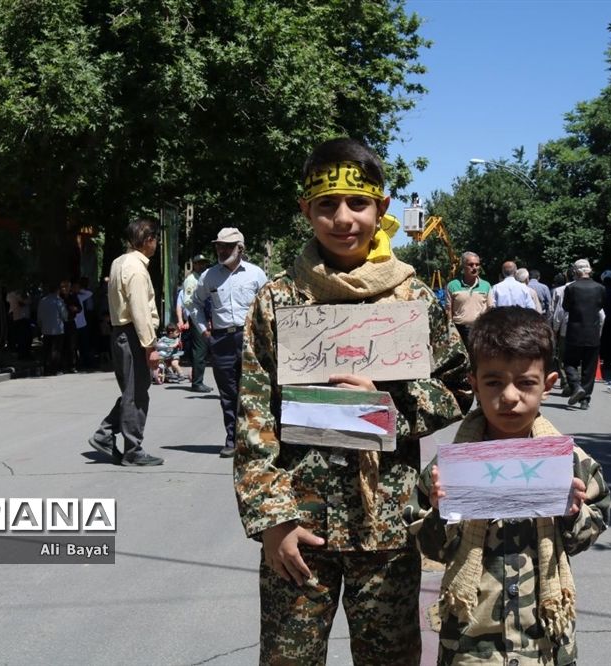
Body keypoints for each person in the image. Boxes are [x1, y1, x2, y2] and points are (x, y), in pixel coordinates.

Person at [233, 137, 470, 665]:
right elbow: (254, 418)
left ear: (381, 208)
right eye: (326, 205)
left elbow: (459, 386)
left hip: (385, 531)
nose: (343, 219)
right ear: (306, 210)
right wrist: (274, 521)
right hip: (300, 529)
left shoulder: (412, 300)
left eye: (358, 204)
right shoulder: (279, 300)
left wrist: (388, 405)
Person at [411, 306, 610, 665]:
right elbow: (430, 547)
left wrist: (573, 513)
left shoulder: (567, 462)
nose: (510, 396)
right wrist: (441, 513)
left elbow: (591, 528)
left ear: (548, 385)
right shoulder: (452, 466)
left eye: (526, 382)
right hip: (471, 643)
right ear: (473, 383)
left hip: (544, 643)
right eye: (494, 382)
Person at [87, 218, 164, 467]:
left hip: (121, 333)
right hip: (133, 334)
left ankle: (105, 433)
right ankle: (133, 449)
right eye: (155, 239)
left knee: (132, 392)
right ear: (148, 240)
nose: (157, 244)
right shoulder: (137, 270)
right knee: (136, 395)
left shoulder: (119, 262)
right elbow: (140, 311)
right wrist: (150, 347)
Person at [192, 228, 267, 457]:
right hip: (222, 340)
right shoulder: (209, 276)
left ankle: (257, 441)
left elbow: (268, 306)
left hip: (250, 339)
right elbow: (194, 305)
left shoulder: (256, 274)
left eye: (228, 246)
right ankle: (232, 439)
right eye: (219, 246)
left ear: (240, 249)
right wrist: (206, 332)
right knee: (228, 394)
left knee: (254, 392)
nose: (222, 250)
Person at [561, 259, 606, 410]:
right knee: (589, 367)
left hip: (575, 331)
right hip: (593, 332)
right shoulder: (600, 288)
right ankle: (585, 399)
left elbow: (566, 307)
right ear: (590, 270)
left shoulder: (572, 288)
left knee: (569, 362)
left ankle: (575, 386)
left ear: (576, 271)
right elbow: (601, 306)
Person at [181, 253, 212, 392]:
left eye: (204, 263)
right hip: (197, 317)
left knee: (203, 350)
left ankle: (199, 380)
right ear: (194, 265)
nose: (203, 265)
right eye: (200, 263)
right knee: (199, 350)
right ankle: (197, 382)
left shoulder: (203, 278)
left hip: (204, 317)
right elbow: (188, 301)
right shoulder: (191, 280)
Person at [446, 251, 490, 346]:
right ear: (463, 266)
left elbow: (490, 308)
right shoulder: (452, 285)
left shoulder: (486, 286)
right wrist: (450, 329)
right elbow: (448, 310)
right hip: (459, 331)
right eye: (471, 264)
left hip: (479, 329)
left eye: (477, 265)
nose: (474, 267)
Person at [36, 281, 67, 376]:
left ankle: (46, 369)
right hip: (57, 329)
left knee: (46, 350)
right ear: (57, 291)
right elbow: (64, 315)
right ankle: (55, 369)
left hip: (46, 329)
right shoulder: (59, 301)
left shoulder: (43, 300)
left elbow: (39, 316)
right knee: (56, 350)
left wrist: (40, 325)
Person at [5, 286, 33, 360]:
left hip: (21, 316)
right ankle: (21, 354)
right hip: (18, 317)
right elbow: (26, 301)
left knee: (23, 337)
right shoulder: (16, 293)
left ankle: (22, 353)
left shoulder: (22, 293)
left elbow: (28, 301)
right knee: (21, 337)